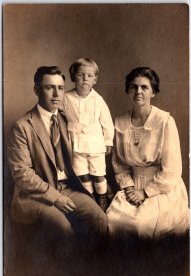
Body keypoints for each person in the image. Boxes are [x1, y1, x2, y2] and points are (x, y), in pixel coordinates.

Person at [7, 66, 108, 253]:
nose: (56, 94)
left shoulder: (64, 118)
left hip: (66, 187)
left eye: (60, 88)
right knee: (63, 227)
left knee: (99, 218)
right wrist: (55, 197)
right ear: (37, 90)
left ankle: (99, 270)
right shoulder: (22, 127)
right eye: (49, 88)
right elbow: (22, 174)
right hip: (35, 196)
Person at [107, 67, 189, 238]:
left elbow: (172, 170)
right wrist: (129, 187)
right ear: (128, 91)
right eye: (133, 87)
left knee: (141, 226)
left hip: (161, 189)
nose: (138, 91)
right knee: (111, 221)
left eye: (144, 87)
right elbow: (119, 163)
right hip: (132, 187)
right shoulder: (120, 122)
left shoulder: (165, 121)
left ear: (153, 92)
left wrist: (144, 193)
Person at [63, 58, 114, 212]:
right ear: (73, 77)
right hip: (75, 143)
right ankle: (89, 198)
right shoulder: (66, 98)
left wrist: (108, 141)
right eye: (80, 75)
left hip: (95, 143)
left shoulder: (98, 100)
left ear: (95, 80)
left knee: (98, 174)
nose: (85, 79)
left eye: (89, 76)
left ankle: (102, 197)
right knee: (83, 174)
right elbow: (59, 116)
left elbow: (107, 122)